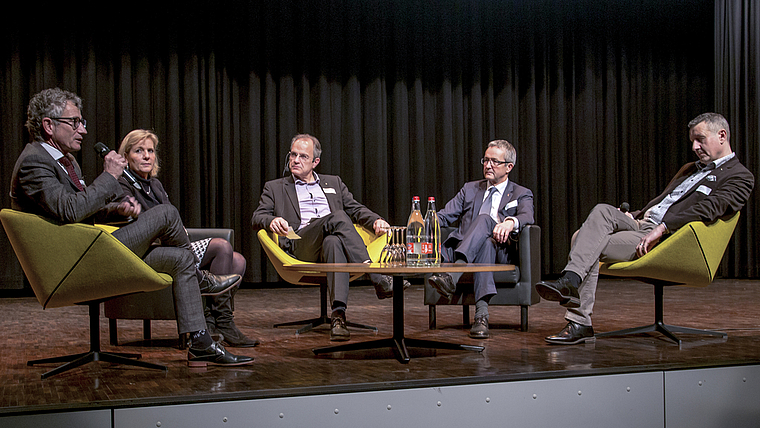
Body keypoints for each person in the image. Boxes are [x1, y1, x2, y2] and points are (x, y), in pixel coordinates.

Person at [10, 88, 253, 366]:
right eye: (74, 122)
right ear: (49, 125)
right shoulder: (34, 161)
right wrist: (110, 175)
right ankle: (202, 279)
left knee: (181, 258)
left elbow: (76, 210)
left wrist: (115, 209)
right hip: (74, 263)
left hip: (89, 249)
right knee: (167, 214)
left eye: (82, 122)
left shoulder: (64, 161)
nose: (83, 130)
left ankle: (200, 343)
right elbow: (71, 210)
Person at [536, 112, 754, 345]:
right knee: (602, 210)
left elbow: (709, 209)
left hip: (667, 237)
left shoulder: (740, 177)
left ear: (722, 135)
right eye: (692, 141)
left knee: (583, 239)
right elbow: (665, 202)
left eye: (700, 139)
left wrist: (662, 228)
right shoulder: (690, 168)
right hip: (643, 222)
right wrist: (635, 215)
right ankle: (571, 282)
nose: (694, 146)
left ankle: (579, 319)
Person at [251, 133, 408, 342]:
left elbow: (356, 208)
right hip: (301, 244)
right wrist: (270, 221)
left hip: (329, 244)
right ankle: (377, 277)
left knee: (333, 240)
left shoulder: (333, 182)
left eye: (303, 157)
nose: (296, 160)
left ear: (315, 162)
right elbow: (257, 216)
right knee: (338, 216)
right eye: (293, 155)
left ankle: (338, 317)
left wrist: (376, 220)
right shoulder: (275, 187)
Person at [117, 129, 258, 348]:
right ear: (126, 156)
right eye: (139, 151)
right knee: (221, 246)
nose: (146, 156)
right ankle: (219, 322)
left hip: (173, 244)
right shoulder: (121, 184)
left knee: (238, 260)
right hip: (149, 250)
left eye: (150, 151)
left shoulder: (155, 185)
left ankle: (217, 322)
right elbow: (135, 226)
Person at [427, 140, 535, 339]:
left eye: (495, 161)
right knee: (485, 242)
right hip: (468, 246)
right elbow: (443, 216)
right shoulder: (470, 189)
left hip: (502, 254)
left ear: (509, 167)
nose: (488, 165)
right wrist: (421, 222)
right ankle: (481, 317)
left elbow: (528, 216)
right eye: (486, 160)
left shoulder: (521, 193)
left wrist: (510, 222)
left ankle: (452, 276)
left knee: (486, 220)